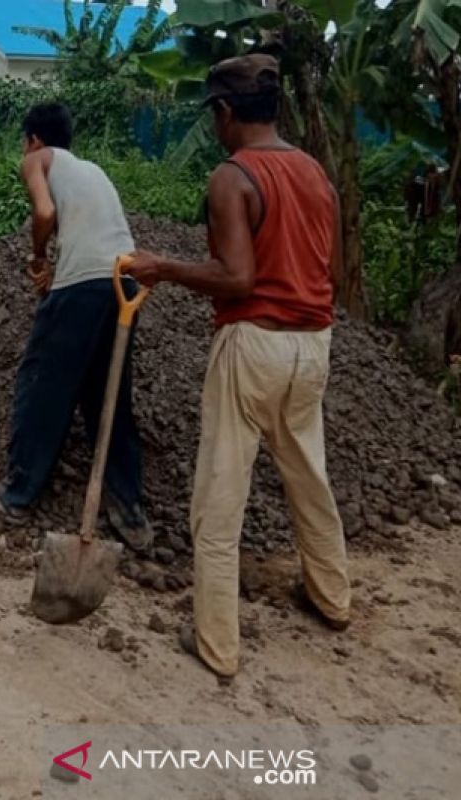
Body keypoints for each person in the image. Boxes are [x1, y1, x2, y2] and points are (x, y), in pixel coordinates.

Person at [125, 55, 351, 678]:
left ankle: (218, 645)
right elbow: (328, 270)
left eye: (216, 116)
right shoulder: (314, 173)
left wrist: (162, 267)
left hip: (253, 342)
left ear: (225, 113)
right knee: (308, 474)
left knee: (220, 495)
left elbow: (238, 277)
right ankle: (333, 599)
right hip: (313, 344)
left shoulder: (234, 176)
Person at [0, 103, 153, 553]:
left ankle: (16, 495)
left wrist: (38, 258)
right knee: (108, 394)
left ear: (33, 139)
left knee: (42, 384)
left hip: (82, 284)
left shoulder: (37, 159)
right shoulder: (91, 171)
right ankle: (129, 510)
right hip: (125, 281)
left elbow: (44, 214)